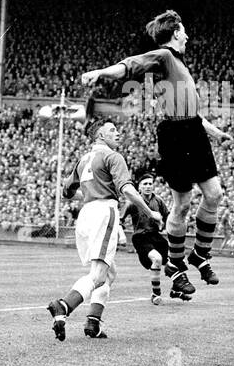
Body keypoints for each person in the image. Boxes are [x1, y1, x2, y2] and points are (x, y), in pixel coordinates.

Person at [81, 10, 233, 299]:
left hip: (194, 131)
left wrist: (215, 133)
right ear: (175, 33)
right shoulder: (163, 56)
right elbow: (129, 66)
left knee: (214, 194)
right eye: (184, 31)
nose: (187, 35)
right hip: (175, 135)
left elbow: (192, 112)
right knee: (183, 204)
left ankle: (199, 255)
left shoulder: (179, 64)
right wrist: (101, 72)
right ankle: (176, 265)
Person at [46, 119, 161, 341]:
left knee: (109, 273)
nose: (118, 133)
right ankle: (63, 306)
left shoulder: (83, 160)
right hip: (103, 212)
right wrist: (150, 211)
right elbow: (127, 190)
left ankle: (93, 323)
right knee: (98, 275)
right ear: (100, 136)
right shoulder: (113, 157)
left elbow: (66, 192)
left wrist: (90, 194)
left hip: (86, 215)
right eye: (112, 130)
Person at [123, 171, 190, 304]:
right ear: (139, 187)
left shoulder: (158, 200)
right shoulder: (132, 202)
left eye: (150, 184)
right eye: (145, 184)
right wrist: (120, 233)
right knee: (157, 259)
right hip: (140, 237)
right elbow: (120, 219)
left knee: (176, 260)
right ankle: (156, 294)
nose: (148, 186)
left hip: (155, 236)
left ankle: (176, 290)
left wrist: (180, 220)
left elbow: (168, 217)